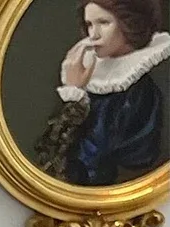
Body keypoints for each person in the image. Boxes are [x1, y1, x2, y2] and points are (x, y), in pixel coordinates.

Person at [33, 0, 169, 186]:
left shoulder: (135, 92)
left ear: (131, 24)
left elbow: (89, 165)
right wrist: (75, 90)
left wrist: (75, 96)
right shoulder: (90, 75)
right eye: (89, 24)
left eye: (104, 23)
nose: (93, 35)